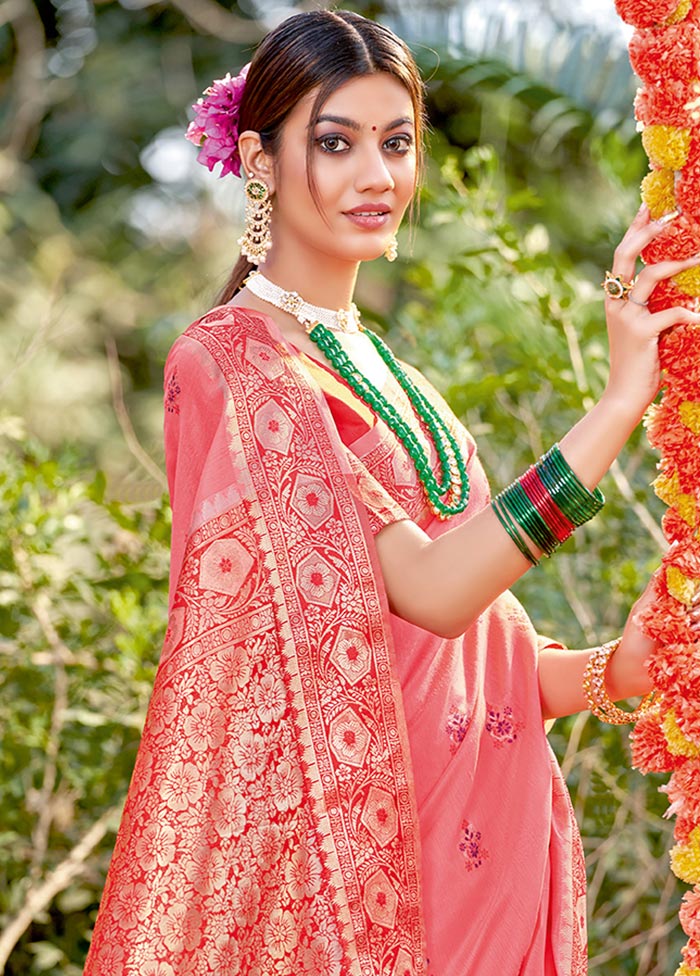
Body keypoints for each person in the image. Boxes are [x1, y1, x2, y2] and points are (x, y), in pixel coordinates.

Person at [83, 9, 700, 976]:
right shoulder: (231, 363)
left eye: (397, 142)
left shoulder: (390, 371)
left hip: (488, 833)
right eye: (336, 144)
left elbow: (476, 657)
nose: (378, 176)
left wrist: (616, 668)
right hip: (370, 873)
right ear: (260, 159)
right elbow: (433, 590)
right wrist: (621, 403)